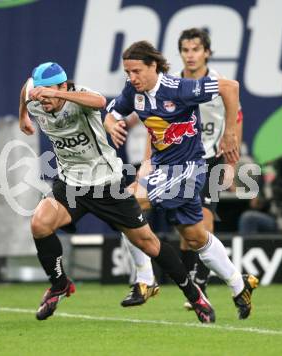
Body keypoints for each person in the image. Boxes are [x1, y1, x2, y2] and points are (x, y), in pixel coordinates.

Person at [19, 62, 215, 323]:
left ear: (64, 87)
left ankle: (195, 296)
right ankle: (59, 285)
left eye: (49, 93)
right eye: (39, 93)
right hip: (70, 184)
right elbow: (26, 90)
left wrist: (57, 95)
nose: (43, 100)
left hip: (106, 183)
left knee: (148, 243)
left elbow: (100, 101)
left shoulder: (77, 98)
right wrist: (23, 114)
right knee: (39, 223)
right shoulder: (36, 99)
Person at [104, 40, 258, 320]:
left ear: (153, 66)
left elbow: (230, 87)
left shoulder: (179, 88)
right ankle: (239, 284)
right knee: (195, 236)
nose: (132, 78)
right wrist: (111, 124)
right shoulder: (133, 92)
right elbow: (111, 113)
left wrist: (231, 133)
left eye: (137, 71)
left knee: (125, 202)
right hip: (162, 168)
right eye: (128, 72)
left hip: (188, 168)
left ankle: (145, 279)